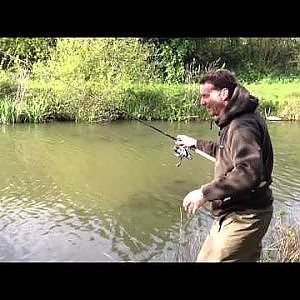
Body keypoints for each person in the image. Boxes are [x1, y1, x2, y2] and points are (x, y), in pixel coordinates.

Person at [175, 69, 274, 262]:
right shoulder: (235, 120)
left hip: (245, 216)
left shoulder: (241, 126)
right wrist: (195, 143)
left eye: (206, 95)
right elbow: (226, 153)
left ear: (224, 94)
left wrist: (204, 193)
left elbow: (248, 172)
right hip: (234, 213)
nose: (202, 101)